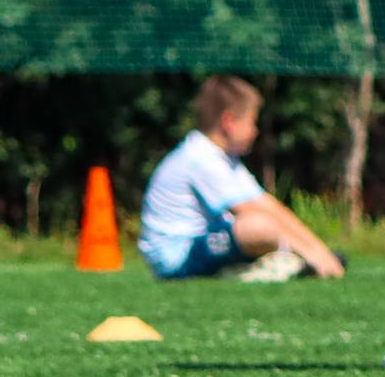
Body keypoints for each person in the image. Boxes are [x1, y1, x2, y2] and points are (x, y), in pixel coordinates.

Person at [138, 76, 344, 282]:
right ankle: (266, 264)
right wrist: (311, 253)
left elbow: (267, 205)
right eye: (251, 122)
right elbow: (252, 211)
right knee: (256, 226)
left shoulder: (225, 159)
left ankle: (279, 260)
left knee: (263, 222)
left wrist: (319, 250)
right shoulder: (200, 158)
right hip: (178, 259)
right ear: (229, 122)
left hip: (202, 244)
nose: (255, 131)